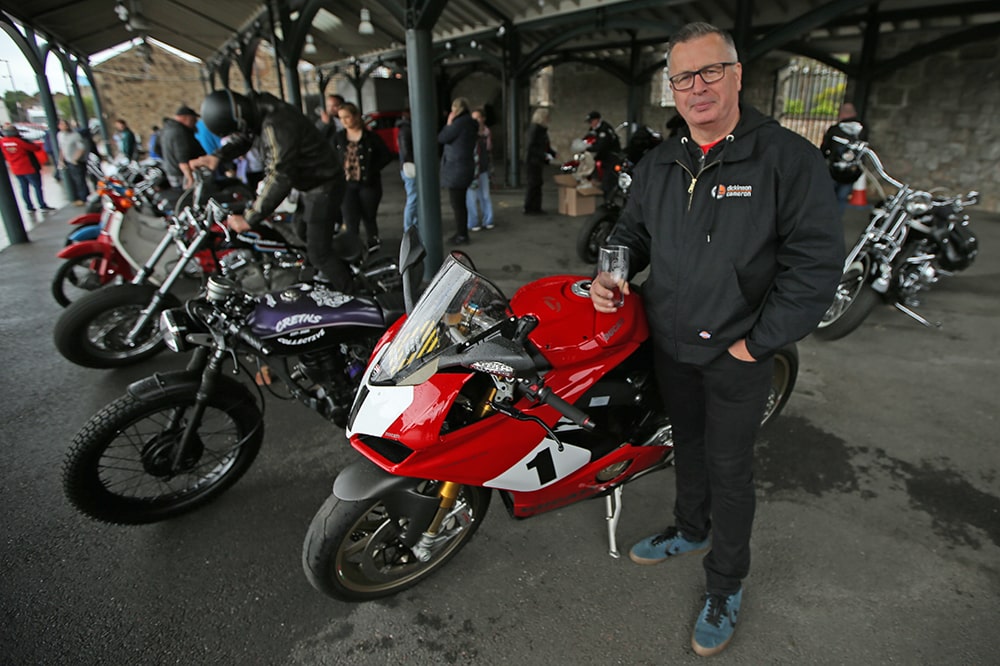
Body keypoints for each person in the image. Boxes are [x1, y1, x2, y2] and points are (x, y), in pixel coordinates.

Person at [589, 22, 844, 657]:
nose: (696, 87)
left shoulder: (787, 159)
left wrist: (755, 346)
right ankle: (689, 528)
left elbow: (813, 269)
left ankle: (725, 583)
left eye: (709, 72)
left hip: (738, 353)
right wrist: (612, 273)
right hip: (670, 344)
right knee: (687, 449)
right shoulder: (661, 161)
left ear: (736, 76)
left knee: (731, 470)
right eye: (682, 77)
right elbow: (630, 232)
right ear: (670, 88)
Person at [192, 89, 351, 292]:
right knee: (302, 232)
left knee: (318, 253)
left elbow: (279, 176)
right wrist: (218, 156)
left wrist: (249, 218)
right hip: (312, 184)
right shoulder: (259, 110)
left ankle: (350, 296)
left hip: (323, 185)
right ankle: (335, 264)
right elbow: (245, 137)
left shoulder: (276, 123)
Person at [333, 102, 394, 252]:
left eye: (347, 117)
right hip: (347, 185)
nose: (344, 121)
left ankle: (373, 248)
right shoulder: (339, 137)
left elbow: (386, 155)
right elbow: (331, 156)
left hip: (368, 184)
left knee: (369, 218)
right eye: (341, 118)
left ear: (355, 116)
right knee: (350, 220)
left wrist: (371, 170)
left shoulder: (370, 137)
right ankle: (353, 251)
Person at [437, 97, 479, 245]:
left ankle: (462, 234)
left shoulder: (458, 124)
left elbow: (442, 138)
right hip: (466, 166)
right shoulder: (472, 123)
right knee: (461, 203)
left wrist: (449, 123)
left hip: (456, 169)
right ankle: (462, 232)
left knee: (457, 205)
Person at [820, 102, 869, 217]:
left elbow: (825, 148)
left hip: (834, 168)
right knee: (842, 197)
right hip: (852, 169)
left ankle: (825, 218)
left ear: (841, 114)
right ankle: (836, 219)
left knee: (829, 195)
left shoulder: (835, 129)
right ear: (854, 113)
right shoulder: (862, 130)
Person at [1, 126, 54, 213]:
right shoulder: (19, 141)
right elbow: (35, 148)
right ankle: (42, 205)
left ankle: (29, 207)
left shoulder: (2, 142)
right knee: (37, 187)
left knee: (24, 188)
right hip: (29, 168)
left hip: (16, 169)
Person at [158, 106, 206, 190]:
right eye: (193, 119)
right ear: (185, 118)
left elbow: (157, 149)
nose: (195, 122)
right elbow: (183, 159)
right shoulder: (180, 131)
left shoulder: (166, 129)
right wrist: (189, 178)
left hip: (172, 172)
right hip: (182, 175)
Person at [465, 108, 494, 232]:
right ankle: (474, 222)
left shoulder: (485, 132)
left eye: (478, 117)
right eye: (474, 118)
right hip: (474, 168)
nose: (476, 120)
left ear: (483, 118)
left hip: (481, 168)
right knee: (472, 197)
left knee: (483, 195)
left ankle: (487, 220)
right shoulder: (472, 133)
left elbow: (488, 149)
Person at [523, 107, 554, 215]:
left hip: (537, 160)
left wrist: (552, 153)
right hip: (533, 160)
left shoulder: (541, 129)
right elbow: (531, 146)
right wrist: (544, 155)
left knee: (537, 183)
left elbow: (544, 144)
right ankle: (529, 207)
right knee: (533, 183)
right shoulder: (535, 129)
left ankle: (536, 207)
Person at [585, 110, 623, 194]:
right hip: (603, 157)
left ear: (597, 120)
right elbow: (588, 137)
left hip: (611, 157)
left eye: (591, 121)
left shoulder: (604, 129)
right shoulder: (595, 129)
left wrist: (588, 148)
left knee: (608, 180)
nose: (591, 124)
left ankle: (609, 202)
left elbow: (601, 145)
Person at [56, 119, 90, 205]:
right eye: (62, 125)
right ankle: (79, 197)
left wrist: (75, 159)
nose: (65, 126)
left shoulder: (75, 135)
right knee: (73, 180)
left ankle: (83, 198)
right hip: (68, 160)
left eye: (65, 124)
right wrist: (61, 160)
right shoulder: (60, 135)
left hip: (77, 161)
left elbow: (82, 148)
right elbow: (62, 148)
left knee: (80, 180)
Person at [396, 110, 418, 234]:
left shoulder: (404, 129)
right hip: (410, 168)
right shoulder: (406, 130)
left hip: (407, 167)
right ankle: (409, 227)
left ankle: (411, 226)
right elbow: (406, 152)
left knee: (413, 198)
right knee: (413, 198)